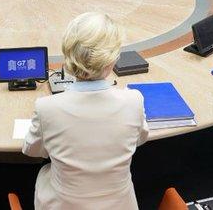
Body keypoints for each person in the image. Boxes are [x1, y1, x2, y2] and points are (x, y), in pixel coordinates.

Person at [23, 12, 149, 209]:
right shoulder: (134, 100)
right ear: (112, 59)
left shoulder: (46, 107)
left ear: (68, 55)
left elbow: (31, 150)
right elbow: (140, 138)